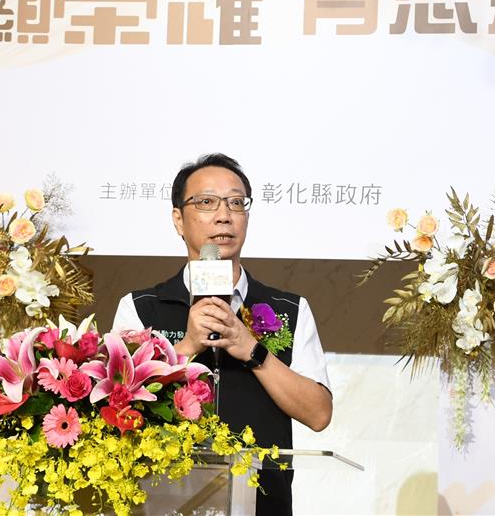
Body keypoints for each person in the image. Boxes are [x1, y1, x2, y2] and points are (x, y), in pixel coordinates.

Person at [112, 153, 332, 515]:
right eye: (206, 202)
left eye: (236, 203)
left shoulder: (289, 309)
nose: (224, 215)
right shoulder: (140, 307)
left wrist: (252, 349)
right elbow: (118, 406)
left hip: (261, 505)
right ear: (178, 220)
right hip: (159, 503)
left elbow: (319, 414)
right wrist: (186, 347)